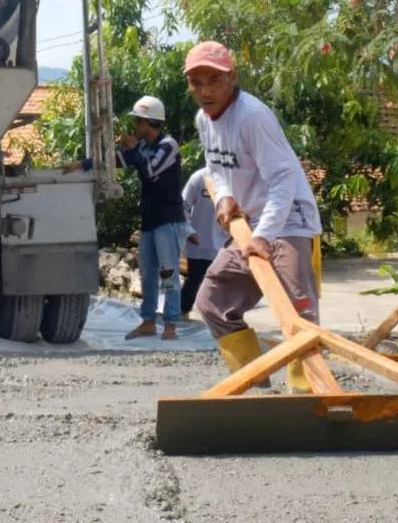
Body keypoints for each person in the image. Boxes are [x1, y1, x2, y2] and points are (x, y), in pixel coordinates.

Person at [184, 41, 322, 393]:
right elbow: (214, 166)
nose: (205, 91)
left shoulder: (253, 117)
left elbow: (282, 179)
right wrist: (226, 197)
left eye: (213, 80)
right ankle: (253, 382)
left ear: (232, 78)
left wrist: (266, 235)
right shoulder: (204, 119)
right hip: (249, 226)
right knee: (211, 302)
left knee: (297, 309)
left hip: (288, 220)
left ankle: (307, 395)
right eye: (196, 82)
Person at [116, 95, 188, 341]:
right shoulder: (144, 147)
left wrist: (133, 149)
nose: (135, 126)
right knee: (148, 273)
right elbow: (119, 160)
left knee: (168, 274)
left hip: (167, 220)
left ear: (149, 122)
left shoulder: (168, 146)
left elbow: (148, 170)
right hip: (150, 219)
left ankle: (170, 324)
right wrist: (84, 164)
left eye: (138, 121)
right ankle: (148, 321)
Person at [180, 166, 221, 319]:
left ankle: (216, 319)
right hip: (199, 242)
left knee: (220, 283)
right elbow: (183, 204)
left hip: (224, 243)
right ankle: (182, 314)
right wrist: (188, 230)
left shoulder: (234, 178)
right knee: (194, 280)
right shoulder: (199, 177)